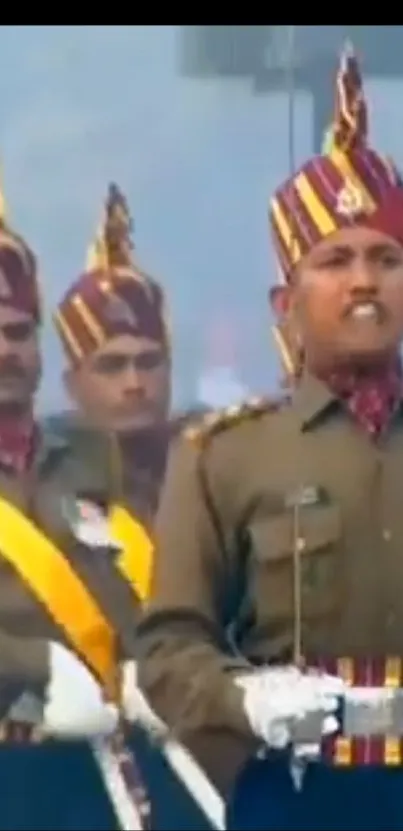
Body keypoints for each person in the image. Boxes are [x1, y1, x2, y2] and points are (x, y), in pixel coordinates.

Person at [136, 44, 403, 830]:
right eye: (335, 260)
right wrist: (243, 698)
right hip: (297, 796)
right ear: (285, 298)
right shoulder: (225, 453)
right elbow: (168, 650)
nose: (363, 281)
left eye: (386, 259)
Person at [53, 183, 212, 830]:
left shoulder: (215, 461)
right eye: (111, 364)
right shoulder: (39, 483)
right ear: (72, 381)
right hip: (79, 768)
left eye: (150, 361)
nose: (134, 382)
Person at [0, 177, 146, 829]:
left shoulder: (89, 454)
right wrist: (36, 664)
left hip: (99, 774)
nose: (5, 349)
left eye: (18, 330)